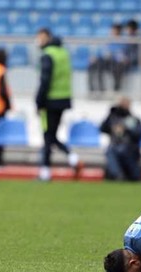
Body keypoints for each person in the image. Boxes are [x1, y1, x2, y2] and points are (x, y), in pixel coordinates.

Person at [35, 28, 83, 181]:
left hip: (50, 100)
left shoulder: (48, 54)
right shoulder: (64, 53)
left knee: (48, 136)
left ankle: (46, 171)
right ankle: (72, 158)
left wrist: (39, 101)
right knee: (51, 136)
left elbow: (45, 80)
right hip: (63, 99)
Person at [100, 96, 141, 181]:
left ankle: (121, 175)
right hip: (115, 145)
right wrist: (110, 115)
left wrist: (126, 129)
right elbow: (102, 128)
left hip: (129, 147)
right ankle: (118, 175)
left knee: (123, 151)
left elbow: (138, 134)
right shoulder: (113, 118)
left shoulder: (133, 119)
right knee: (111, 150)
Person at [88, 23, 128, 94]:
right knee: (93, 66)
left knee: (117, 68)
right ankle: (97, 90)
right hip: (105, 61)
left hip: (115, 63)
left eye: (113, 30)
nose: (111, 32)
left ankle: (116, 90)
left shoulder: (123, 42)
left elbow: (121, 55)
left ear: (118, 31)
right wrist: (96, 57)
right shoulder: (108, 40)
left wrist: (112, 55)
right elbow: (102, 51)